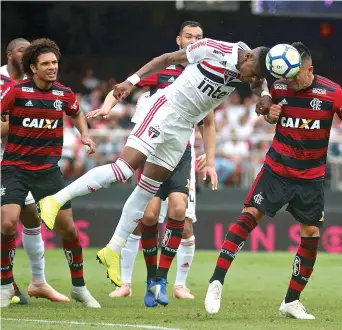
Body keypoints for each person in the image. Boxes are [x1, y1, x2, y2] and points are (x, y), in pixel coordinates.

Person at [38, 36, 274, 304]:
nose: (250, 80)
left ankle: (113, 250)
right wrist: (132, 81)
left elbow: (259, 84)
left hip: (184, 128)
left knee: (146, 189)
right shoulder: (213, 49)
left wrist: (265, 95)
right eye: (251, 74)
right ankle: (55, 200)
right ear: (247, 59)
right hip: (166, 109)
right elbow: (166, 60)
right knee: (123, 169)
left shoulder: (252, 70)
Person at [204, 42, 342, 319]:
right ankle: (216, 281)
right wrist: (269, 114)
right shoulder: (278, 87)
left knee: (311, 235)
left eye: (296, 75)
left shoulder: (332, 93)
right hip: (277, 170)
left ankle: (291, 301)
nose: (291, 81)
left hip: (311, 178)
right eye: (287, 75)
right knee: (250, 215)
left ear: (310, 69)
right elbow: (266, 112)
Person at [86, 21, 215, 303]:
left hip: (182, 153)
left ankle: (174, 284)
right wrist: (107, 108)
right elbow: (122, 88)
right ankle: (134, 282)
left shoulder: (208, 73)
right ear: (178, 39)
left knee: (182, 215)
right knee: (145, 216)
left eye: (200, 37)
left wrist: (211, 158)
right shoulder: (163, 70)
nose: (195, 41)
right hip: (154, 148)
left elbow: (209, 122)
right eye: (190, 36)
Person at [0, 38, 100, 308]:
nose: (52, 67)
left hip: (48, 171)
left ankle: (79, 287)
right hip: (15, 168)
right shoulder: (16, 91)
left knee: (68, 230)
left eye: (54, 62)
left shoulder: (63, 94)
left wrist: (86, 134)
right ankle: (5, 286)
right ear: (33, 67)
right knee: (7, 224)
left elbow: (76, 112)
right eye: (45, 64)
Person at [0, 38, 68, 305]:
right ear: (11, 55)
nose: (26, 53)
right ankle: (7, 283)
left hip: (21, 160)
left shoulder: (33, 87)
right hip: (8, 159)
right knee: (8, 221)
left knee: (30, 218)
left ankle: (37, 281)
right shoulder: (7, 85)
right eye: (21, 50)